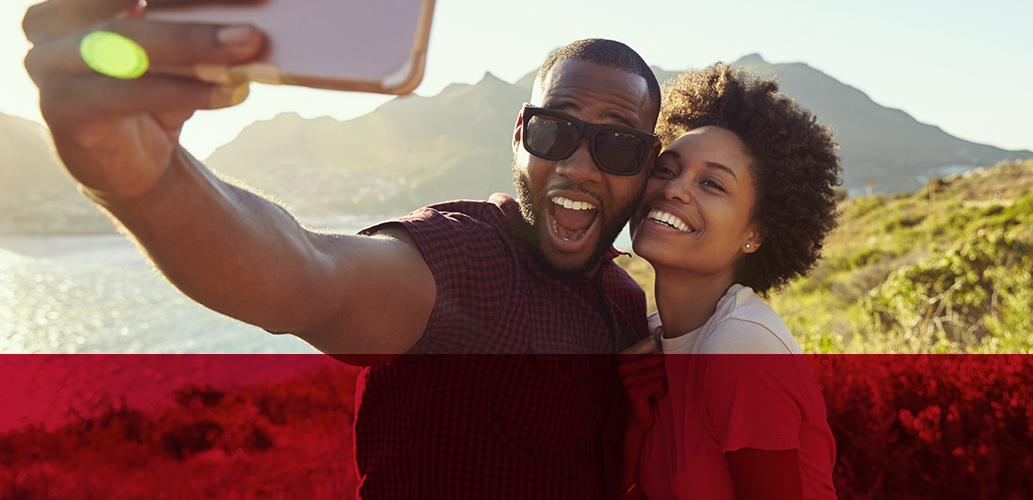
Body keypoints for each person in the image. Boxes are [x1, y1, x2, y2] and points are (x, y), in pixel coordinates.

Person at [23, 0, 662, 497]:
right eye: (556, 131)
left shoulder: (627, 303)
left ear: (647, 166)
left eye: (616, 145)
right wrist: (149, 183)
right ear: (522, 135)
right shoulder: (470, 261)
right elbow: (308, 277)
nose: (579, 166)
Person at [618, 64, 842, 499]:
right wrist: (634, 426)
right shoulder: (655, 340)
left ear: (754, 233)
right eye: (666, 169)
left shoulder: (740, 346)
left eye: (712, 184)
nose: (674, 190)